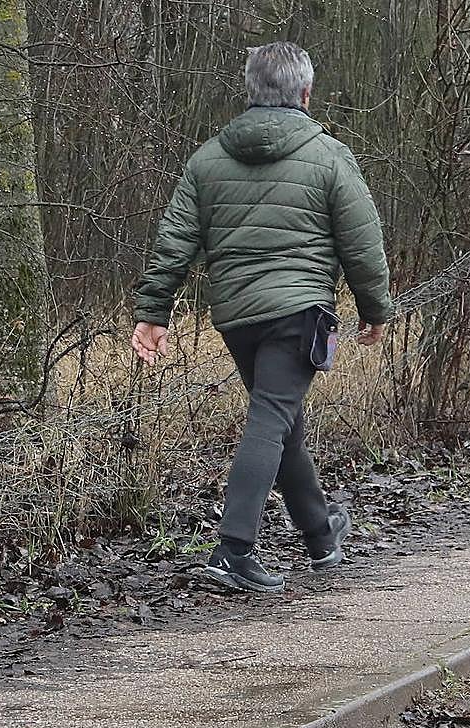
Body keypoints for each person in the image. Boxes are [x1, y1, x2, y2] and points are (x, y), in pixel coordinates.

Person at [131, 42, 393, 593]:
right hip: (300, 311)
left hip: (236, 316)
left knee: (281, 421)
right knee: (271, 419)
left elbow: (175, 239)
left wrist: (154, 310)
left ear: (249, 89)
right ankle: (233, 551)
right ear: (306, 93)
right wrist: (375, 309)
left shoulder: (206, 159)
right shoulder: (329, 155)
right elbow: (362, 241)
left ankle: (321, 536)